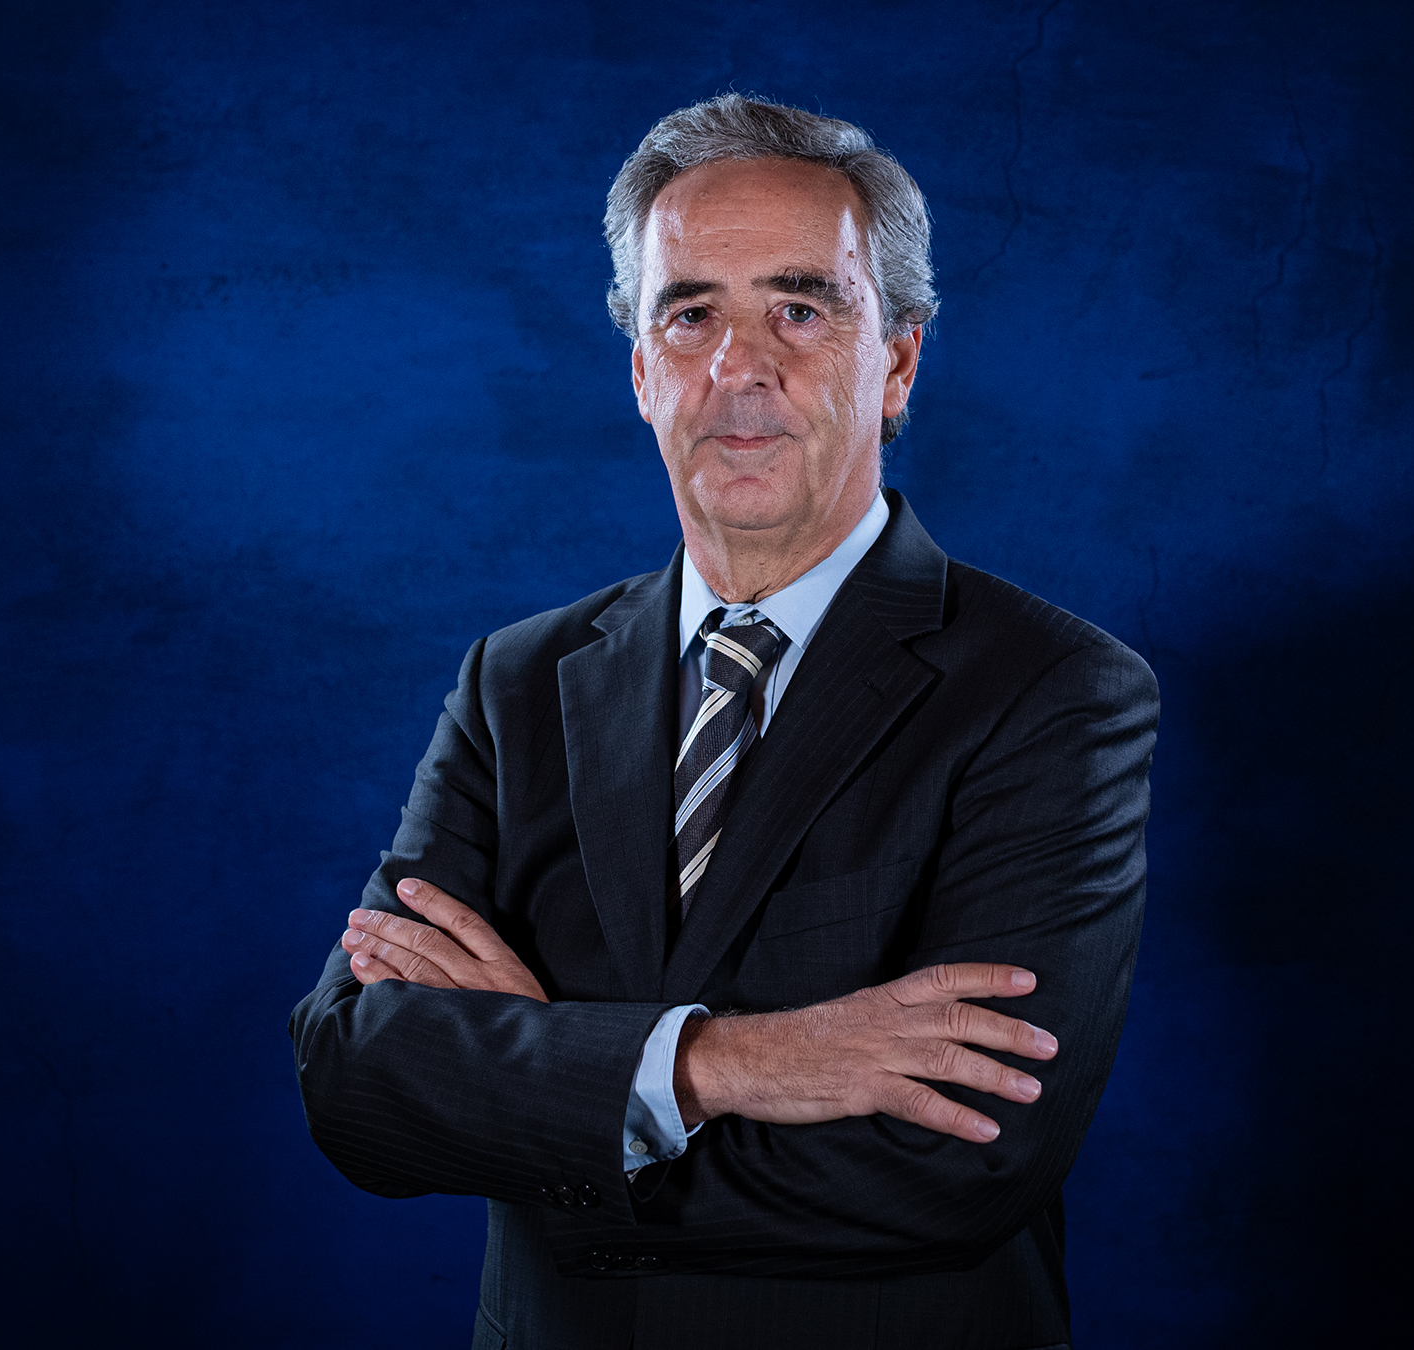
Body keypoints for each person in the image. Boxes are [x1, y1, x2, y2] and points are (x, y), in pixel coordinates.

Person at [290, 93, 1160, 1350]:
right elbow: (355, 1081)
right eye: (689, 314)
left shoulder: (1052, 691)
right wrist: (727, 1064)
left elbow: (958, 1164)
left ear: (899, 362)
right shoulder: (516, 682)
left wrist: (548, 1088)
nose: (738, 369)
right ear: (641, 370)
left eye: (800, 309)